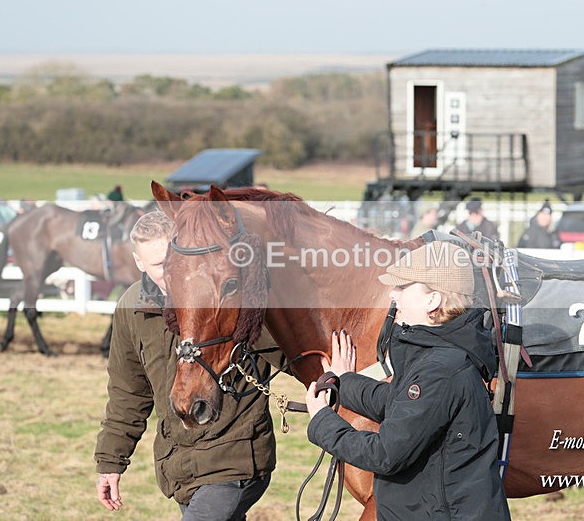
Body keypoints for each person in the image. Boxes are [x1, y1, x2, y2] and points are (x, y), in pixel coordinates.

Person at [305, 242, 510, 520]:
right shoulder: (437, 354)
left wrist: (321, 422)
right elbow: (399, 402)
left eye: (403, 287)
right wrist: (345, 382)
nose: (393, 294)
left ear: (433, 301)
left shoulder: (440, 369)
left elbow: (385, 454)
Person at [94, 211, 276, 520]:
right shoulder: (131, 307)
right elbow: (128, 393)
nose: (167, 273)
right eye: (156, 266)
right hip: (178, 461)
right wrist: (111, 462)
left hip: (234, 455)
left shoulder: (226, 292)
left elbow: (286, 351)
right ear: (138, 262)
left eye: (170, 261)